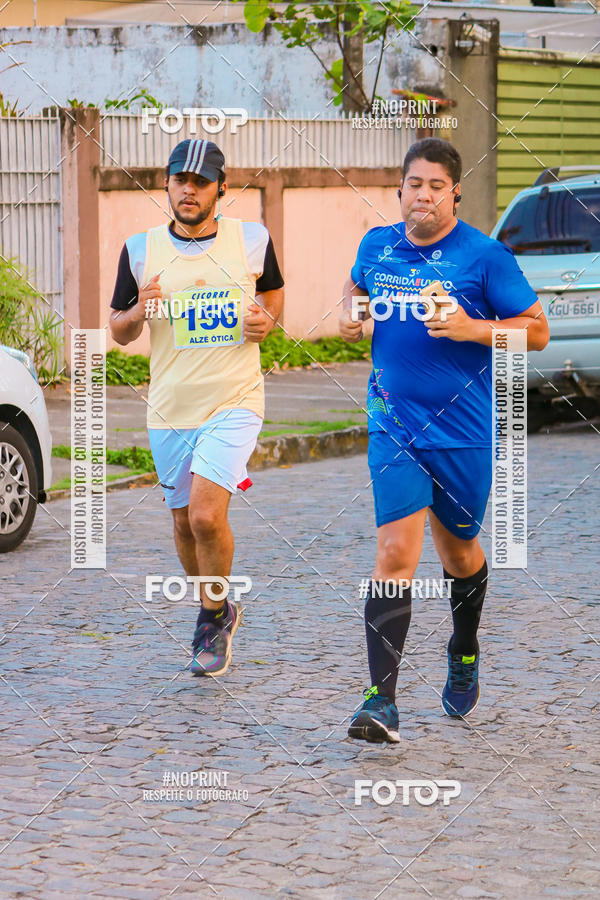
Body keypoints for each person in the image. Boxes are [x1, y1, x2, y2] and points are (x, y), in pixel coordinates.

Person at [339, 137, 549, 743]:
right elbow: (353, 289)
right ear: (399, 190)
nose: (424, 195)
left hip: (463, 435)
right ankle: (381, 701)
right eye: (414, 184)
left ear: (454, 192)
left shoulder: (484, 257)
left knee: (459, 553)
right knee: (394, 555)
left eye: (436, 186)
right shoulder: (378, 246)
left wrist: (470, 327)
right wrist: (356, 317)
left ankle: (463, 647)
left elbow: (537, 334)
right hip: (392, 425)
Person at [109, 138, 284, 677]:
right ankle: (219, 606)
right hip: (168, 408)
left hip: (233, 400)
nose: (189, 189)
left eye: (201, 181)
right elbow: (117, 330)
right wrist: (141, 307)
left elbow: (273, 294)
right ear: (166, 183)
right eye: (181, 179)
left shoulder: (251, 240)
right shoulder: (140, 251)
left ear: (220, 189)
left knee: (208, 514)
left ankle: (210, 619)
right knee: (184, 525)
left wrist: (267, 320)